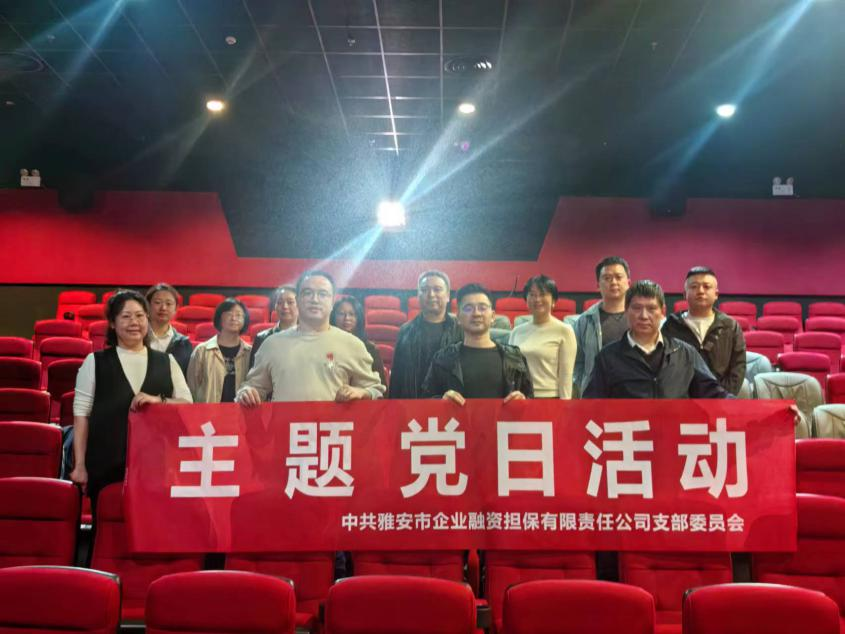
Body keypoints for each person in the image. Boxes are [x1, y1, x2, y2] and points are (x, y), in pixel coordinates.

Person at [70, 289, 192, 506]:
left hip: (155, 463)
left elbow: (187, 405)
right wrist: (80, 465)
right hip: (105, 462)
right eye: (126, 316)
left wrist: (159, 400)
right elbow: (81, 415)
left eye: (139, 316)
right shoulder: (95, 362)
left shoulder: (167, 361)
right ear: (112, 323)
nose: (134, 322)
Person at [237, 270, 385, 405]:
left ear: (332, 302)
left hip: (333, 426)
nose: (315, 299)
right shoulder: (272, 344)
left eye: (323, 294)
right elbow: (254, 386)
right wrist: (247, 393)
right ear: (298, 300)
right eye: (308, 293)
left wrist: (361, 392)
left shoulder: (352, 344)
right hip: (284, 426)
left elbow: (376, 390)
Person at [583, 280, 731, 399]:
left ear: (662, 312)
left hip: (674, 428)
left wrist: (740, 409)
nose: (644, 316)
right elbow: (592, 406)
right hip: (629, 428)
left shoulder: (685, 353)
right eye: (637, 308)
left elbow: (714, 393)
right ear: (626, 311)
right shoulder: (607, 357)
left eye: (651, 309)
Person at [422, 283, 533, 403]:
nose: (476, 313)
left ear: (493, 316)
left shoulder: (515, 358)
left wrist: (524, 402)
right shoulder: (443, 359)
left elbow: (531, 401)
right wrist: (440, 402)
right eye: (468, 308)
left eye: (482, 308)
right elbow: (425, 401)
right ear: (458, 317)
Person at [661, 266, 746, 395]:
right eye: (694, 287)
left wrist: (722, 397)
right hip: (681, 400)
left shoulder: (730, 326)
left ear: (716, 294)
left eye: (706, 287)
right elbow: (664, 367)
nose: (700, 291)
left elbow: (738, 367)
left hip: (720, 398)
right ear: (685, 294)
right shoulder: (671, 326)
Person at [389, 270, 463, 399]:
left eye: (437, 289)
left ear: (447, 296)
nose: (431, 294)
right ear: (418, 296)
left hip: (451, 404)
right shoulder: (406, 331)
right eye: (424, 290)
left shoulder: (461, 329)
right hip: (413, 405)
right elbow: (397, 377)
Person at [508, 275, 577, 398]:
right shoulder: (516, 332)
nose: (537, 299)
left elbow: (566, 376)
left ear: (553, 300)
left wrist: (565, 406)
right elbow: (510, 371)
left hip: (550, 399)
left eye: (542, 294)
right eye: (532, 295)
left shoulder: (565, 331)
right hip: (521, 398)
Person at [573, 256, 631, 397]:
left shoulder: (639, 318)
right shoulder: (584, 321)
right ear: (598, 285)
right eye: (607, 278)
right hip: (596, 395)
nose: (614, 282)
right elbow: (577, 362)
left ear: (628, 282)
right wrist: (584, 387)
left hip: (632, 394)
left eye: (618, 277)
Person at [186, 297, 252, 403]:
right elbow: (191, 387)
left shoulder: (250, 352)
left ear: (245, 320)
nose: (234, 318)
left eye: (239, 315)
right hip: (209, 411)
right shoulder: (202, 351)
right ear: (220, 318)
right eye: (229, 314)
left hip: (241, 411)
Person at [330, 296, 387, 386]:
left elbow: (381, 387)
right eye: (341, 314)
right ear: (333, 317)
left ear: (359, 318)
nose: (347, 318)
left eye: (352, 314)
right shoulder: (327, 345)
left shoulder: (370, 349)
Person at [145, 283, 193, 375]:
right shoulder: (136, 338)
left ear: (176, 309)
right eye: (157, 302)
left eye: (169, 304)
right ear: (147, 306)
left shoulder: (184, 344)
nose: (163, 308)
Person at [250, 285, 298, 367]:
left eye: (290, 302)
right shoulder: (262, 338)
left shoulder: (309, 337)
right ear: (275, 307)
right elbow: (254, 371)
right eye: (279, 302)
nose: (285, 306)